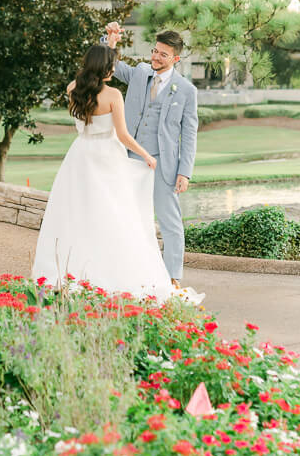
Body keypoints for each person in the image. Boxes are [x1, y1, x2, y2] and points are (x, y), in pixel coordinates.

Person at [31, 43, 204, 304]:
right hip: (107, 157)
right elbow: (123, 136)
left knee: (77, 214)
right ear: (104, 67)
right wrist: (146, 155)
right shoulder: (112, 95)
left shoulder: (72, 89)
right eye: (111, 64)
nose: (114, 68)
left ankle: (72, 270)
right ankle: (110, 270)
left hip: (79, 156)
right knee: (116, 215)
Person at [102, 21, 198, 289]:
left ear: (175, 58)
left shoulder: (187, 91)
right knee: (126, 216)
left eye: (163, 54)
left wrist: (184, 171)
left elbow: (189, 134)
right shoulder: (140, 73)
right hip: (129, 160)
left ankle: (172, 277)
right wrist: (110, 42)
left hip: (164, 165)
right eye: (155, 51)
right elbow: (110, 68)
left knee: (170, 222)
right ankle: (126, 270)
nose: (156, 57)